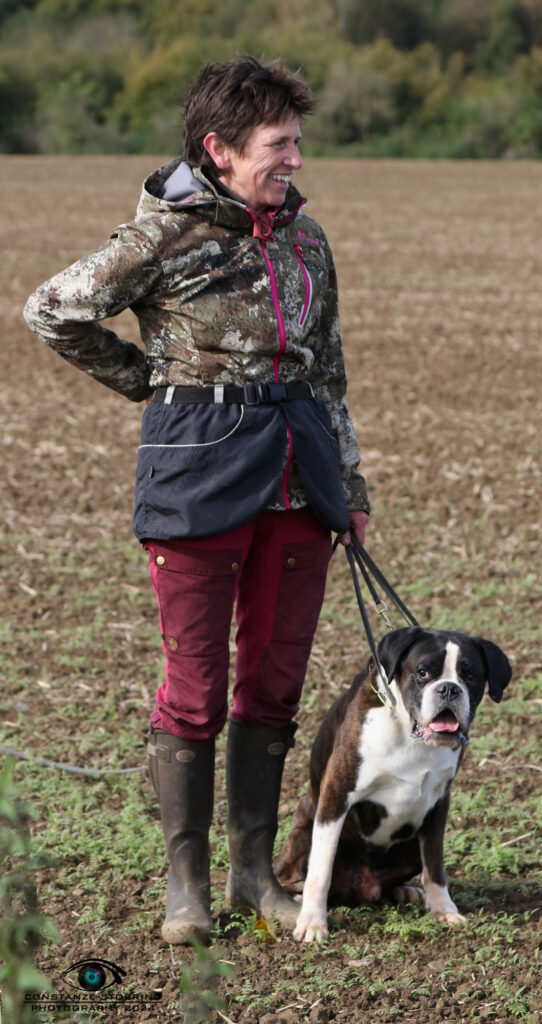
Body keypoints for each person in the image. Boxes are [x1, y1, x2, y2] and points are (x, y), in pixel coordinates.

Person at [23, 55, 369, 946]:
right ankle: (187, 891)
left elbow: (326, 371)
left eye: (297, 142)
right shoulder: (162, 239)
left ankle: (255, 877)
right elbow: (52, 309)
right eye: (277, 145)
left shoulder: (307, 240)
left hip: (300, 483)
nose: (295, 159)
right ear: (218, 149)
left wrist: (352, 483)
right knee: (196, 691)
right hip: (197, 482)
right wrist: (147, 380)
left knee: (275, 686)